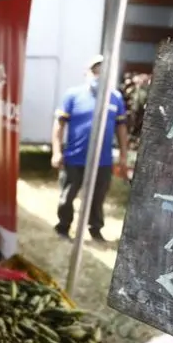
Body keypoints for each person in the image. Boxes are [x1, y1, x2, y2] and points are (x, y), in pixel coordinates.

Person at [51, 54, 130, 243]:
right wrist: (56, 151)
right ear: (86, 73)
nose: (99, 74)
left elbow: (121, 128)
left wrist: (124, 156)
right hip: (75, 158)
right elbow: (59, 125)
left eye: (103, 70)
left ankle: (95, 229)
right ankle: (63, 227)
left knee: (97, 197)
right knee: (67, 195)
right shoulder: (73, 95)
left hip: (102, 160)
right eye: (95, 70)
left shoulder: (115, 98)